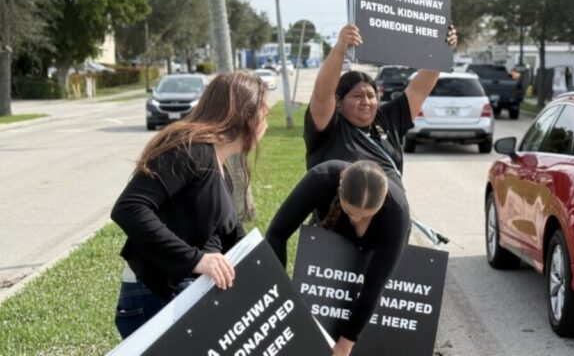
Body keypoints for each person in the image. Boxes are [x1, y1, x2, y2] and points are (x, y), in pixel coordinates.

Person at [111, 71, 270, 339]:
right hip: (156, 293)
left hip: (185, 293)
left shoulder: (218, 164)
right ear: (247, 115)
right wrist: (195, 259)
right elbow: (129, 208)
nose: (266, 124)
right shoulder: (189, 149)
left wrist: (269, 279)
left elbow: (232, 236)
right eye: (264, 115)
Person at [265, 160, 410, 356]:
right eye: (350, 212)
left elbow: (374, 286)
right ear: (340, 191)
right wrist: (282, 295)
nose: (357, 219)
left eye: (368, 215)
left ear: (382, 202)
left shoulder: (397, 211)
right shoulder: (320, 179)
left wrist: (346, 342)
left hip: (372, 256)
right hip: (327, 250)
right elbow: (277, 233)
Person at [305, 24, 457, 187]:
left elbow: (418, 90)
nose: (366, 101)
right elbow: (322, 94)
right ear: (339, 102)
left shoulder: (386, 119)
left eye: (371, 96)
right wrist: (340, 47)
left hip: (391, 212)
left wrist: (442, 50)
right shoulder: (329, 126)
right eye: (357, 96)